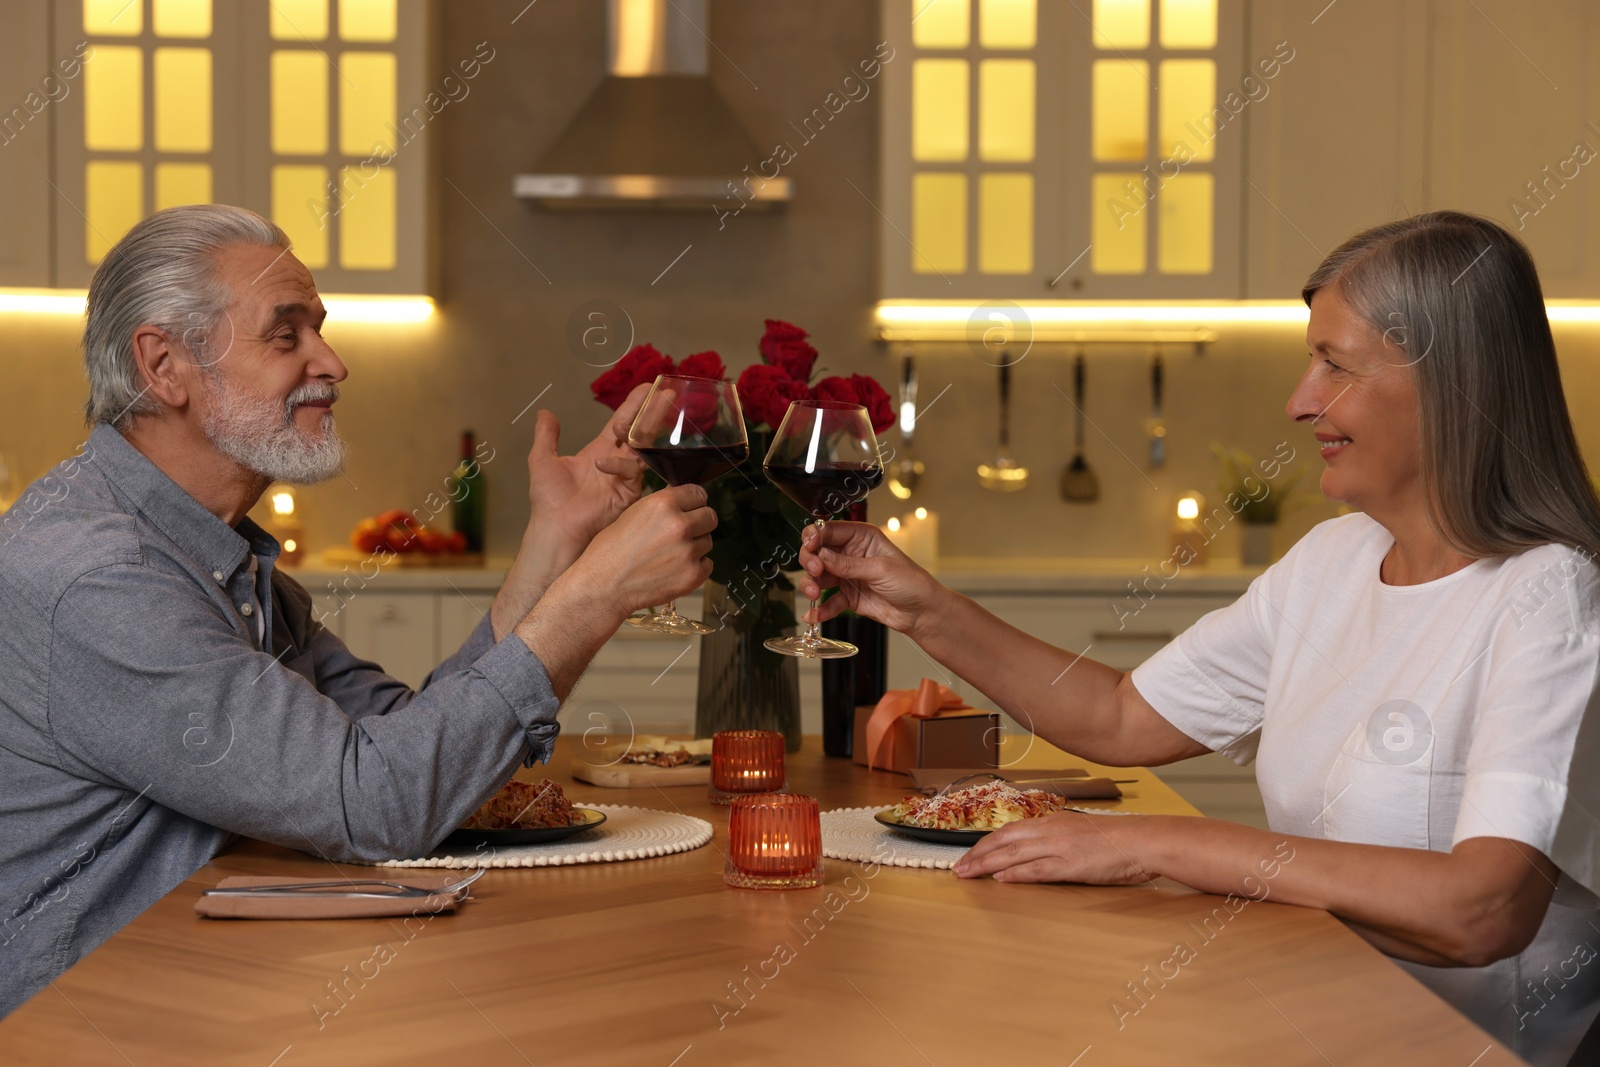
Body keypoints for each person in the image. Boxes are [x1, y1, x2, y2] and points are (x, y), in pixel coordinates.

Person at [800, 211, 1600, 1066]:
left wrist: (1156, 843)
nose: (1299, 400)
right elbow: (1119, 717)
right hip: (1313, 1009)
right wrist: (919, 604)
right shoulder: (1334, 559)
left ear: (1452, 383)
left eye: (1335, 364)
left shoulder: (1553, 593)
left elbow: (1481, 911)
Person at [0, 205, 716, 1014]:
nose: (332, 362)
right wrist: (596, 594)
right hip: (70, 1028)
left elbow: (415, 751)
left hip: (197, 995)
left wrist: (559, 544)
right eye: (287, 334)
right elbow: (378, 802)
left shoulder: (215, 556)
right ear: (165, 367)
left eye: (321, 330)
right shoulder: (101, 579)